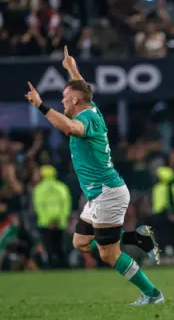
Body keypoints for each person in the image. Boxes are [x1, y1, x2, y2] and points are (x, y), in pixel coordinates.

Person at [24, 47, 164, 305]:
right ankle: (137, 238)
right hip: (100, 193)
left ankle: (152, 294)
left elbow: (70, 127)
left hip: (106, 193)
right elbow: (83, 90)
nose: (63, 101)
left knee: (108, 253)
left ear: (75, 101)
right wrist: (71, 69)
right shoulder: (92, 108)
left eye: (65, 98)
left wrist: (41, 106)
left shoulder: (84, 120)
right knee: (80, 242)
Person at [33, 165, 72, 269]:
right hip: (60, 223)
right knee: (60, 246)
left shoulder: (39, 189)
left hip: (45, 223)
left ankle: (50, 267)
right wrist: (61, 219)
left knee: (49, 247)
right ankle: (64, 267)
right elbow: (66, 205)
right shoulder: (62, 187)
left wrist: (48, 221)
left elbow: (39, 207)